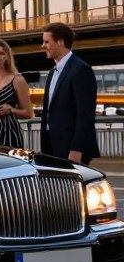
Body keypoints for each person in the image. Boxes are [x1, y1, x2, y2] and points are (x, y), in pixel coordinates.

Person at [40, 22, 99, 164]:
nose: (42, 46)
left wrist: (77, 150)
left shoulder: (80, 70)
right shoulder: (52, 73)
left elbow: (85, 115)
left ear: (60, 42)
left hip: (71, 150)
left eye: (47, 42)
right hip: (52, 147)